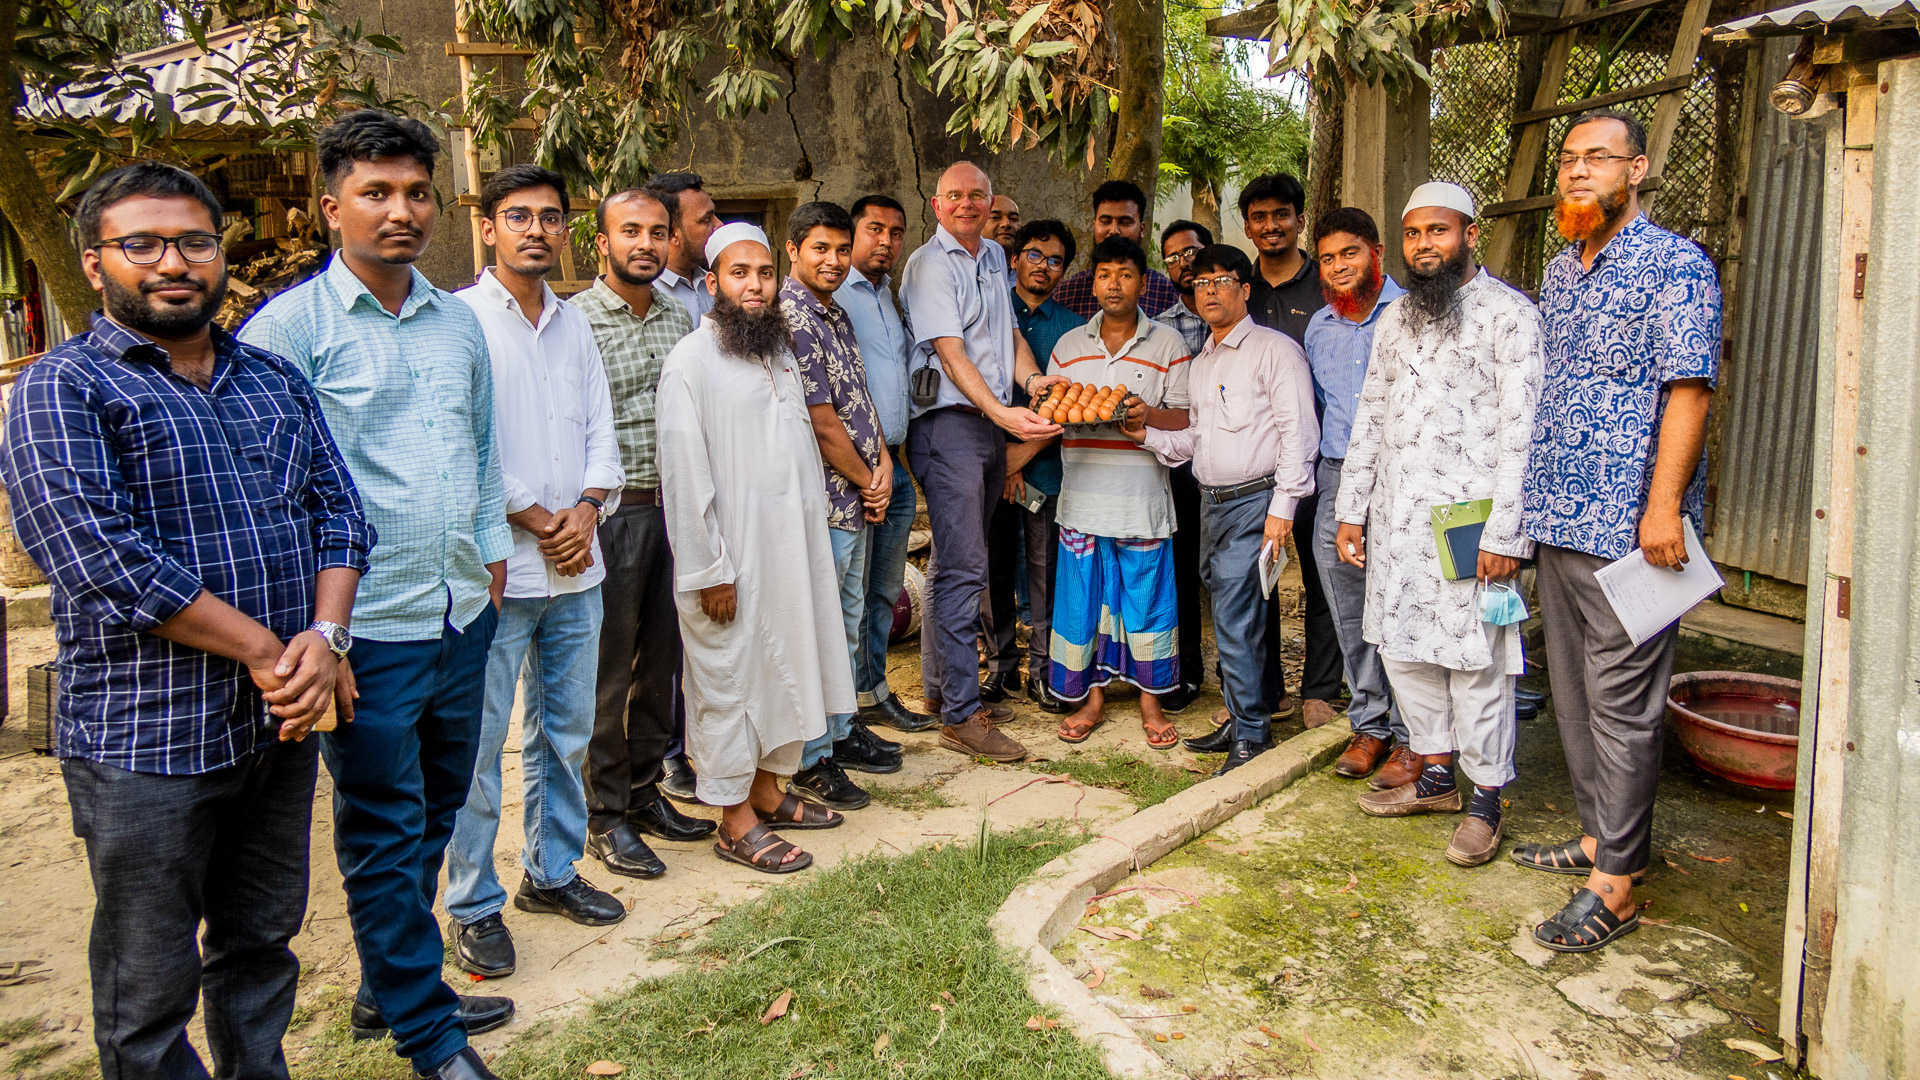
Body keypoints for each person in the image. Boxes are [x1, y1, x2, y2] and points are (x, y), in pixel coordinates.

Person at [2, 162, 369, 1080]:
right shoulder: (63, 388)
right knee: (149, 990)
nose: (173, 262)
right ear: (96, 264)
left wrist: (326, 640)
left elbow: (340, 515)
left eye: (195, 242)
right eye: (142, 244)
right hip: (146, 738)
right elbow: (100, 558)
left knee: (260, 945)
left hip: (275, 726)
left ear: (220, 253)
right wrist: (273, 651)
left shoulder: (271, 379)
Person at [237, 109, 513, 1080]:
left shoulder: (457, 322)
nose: (402, 211)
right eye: (376, 193)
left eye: (417, 192)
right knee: (385, 828)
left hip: (458, 613)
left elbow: (482, 447)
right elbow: (269, 503)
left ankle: (391, 982)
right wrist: (322, 635)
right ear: (331, 208)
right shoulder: (286, 333)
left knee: (435, 810)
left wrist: (490, 560)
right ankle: (429, 1035)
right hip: (368, 633)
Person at [1518, 111, 1721, 953]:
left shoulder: (1676, 264)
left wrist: (1663, 507)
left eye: (1597, 158)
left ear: (1636, 170)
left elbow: (1689, 389)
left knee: (1624, 705)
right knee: (1573, 693)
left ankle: (1618, 885)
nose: (1576, 171)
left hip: (1631, 529)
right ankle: (1600, 838)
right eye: (1568, 159)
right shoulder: (1561, 270)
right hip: (1557, 514)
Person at [444, 165, 628, 976]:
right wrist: (537, 518)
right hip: (499, 570)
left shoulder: (573, 321)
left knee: (566, 730)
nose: (536, 231)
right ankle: (473, 901)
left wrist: (585, 510)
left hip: (578, 565)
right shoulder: (457, 320)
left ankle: (551, 872)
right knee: (480, 744)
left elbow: (601, 430)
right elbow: (465, 439)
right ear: (488, 228)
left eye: (551, 218)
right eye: (517, 216)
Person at [1334, 182, 1544, 871]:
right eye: (1414, 233)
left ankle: (1486, 799)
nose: (1425, 245)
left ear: (1470, 235)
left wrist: (1506, 536)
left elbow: (1523, 433)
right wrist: (1351, 509)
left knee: (1474, 662)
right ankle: (1434, 777)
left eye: (1439, 231)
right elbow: (1370, 414)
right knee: (1404, 652)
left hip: (1470, 525)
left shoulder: (1509, 316)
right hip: (1398, 521)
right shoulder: (1396, 319)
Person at [656, 222, 855, 872]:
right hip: (729, 565)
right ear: (713, 283)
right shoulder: (691, 362)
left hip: (789, 557)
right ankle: (734, 821)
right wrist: (709, 570)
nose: (755, 285)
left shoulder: (779, 353)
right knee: (730, 686)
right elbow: (683, 477)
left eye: (764, 273)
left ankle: (768, 792)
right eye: (739, 273)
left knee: (784, 672)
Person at [899, 161, 1067, 763]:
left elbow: (1007, 335)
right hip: (950, 426)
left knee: (956, 563)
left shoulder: (994, 256)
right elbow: (950, 353)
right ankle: (962, 715)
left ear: (990, 203)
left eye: (977, 195)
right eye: (954, 196)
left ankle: (942, 693)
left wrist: (1033, 380)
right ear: (937, 205)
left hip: (987, 424)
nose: (966, 204)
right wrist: (1002, 413)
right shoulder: (928, 265)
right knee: (965, 569)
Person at [572, 189, 713, 879]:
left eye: (658, 232)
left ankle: (644, 789)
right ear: (602, 242)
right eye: (630, 231)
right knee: (609, 670)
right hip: (612, 512)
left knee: (662, 662)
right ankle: (603, 815)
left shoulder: (678, 317)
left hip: (674, 508)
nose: (646, 244)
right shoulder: (576, 322)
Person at [1141, 245, 1317, 776]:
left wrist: (1282, 509)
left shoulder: (1275, 351)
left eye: (1222, 280)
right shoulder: (1202, 362)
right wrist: (1143, 434)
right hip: (1212, 504)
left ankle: (1253, 737)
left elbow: (1299, 434)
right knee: (1232, 616)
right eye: (1201, 283)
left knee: (1236, 620)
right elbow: (1193, 439)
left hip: (1256, 500)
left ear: (1245, 289)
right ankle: (1244, 719)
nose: (1210, 291)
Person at [780, 201, 903, 811]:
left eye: (839, 249)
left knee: (847, 620)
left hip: (856, 498)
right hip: (824, 501)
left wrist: (883, 467)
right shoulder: (790, 317)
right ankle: (810, 758)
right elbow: (821, 420)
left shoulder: (836, 312)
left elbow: (860, 400)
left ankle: (840, 730)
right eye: (819, 249)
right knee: (819, 629)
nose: (832, 260)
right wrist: (867, 479)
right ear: (792, 250)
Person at [1046, 237, 1192, 746]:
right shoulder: (1068, 346)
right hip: (1082, 500)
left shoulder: (1168, 344)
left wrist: (1145, 416)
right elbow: (1057, 412)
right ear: (1092, 283)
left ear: (1143, 283)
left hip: (1141, 501)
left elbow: (1185, 417)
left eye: (1125, 274)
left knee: (1147, 603)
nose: (1114, 284)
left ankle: (1151, 702)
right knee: (1082, 604)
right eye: (1105, 274)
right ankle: (1091, 700)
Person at [1216, 172, 1343, 737]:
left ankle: (1320, 689)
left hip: (1315, 458)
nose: (1271, 226)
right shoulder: (1239, 285)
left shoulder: (1325, 287)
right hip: (1252, 465)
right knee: (1254, 581)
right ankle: (1264, 691)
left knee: (1321, 573)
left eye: (1281, 215)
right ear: (1247, 227)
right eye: (1259, 217)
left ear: (1299, 220)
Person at [1303, 207, 1415, 790]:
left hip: (1402, 477)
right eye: (1328, 258)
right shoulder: (1318, 328)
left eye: (1350, 253)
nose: (1339, 266)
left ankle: (1413, 731)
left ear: (1376, 253)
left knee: (1403, 599)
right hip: (1336, 476)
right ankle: (1370, 723)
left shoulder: (1413, 316)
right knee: (1348, 602)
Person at [837, 195, 941, 736]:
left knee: (882, 590)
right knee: (848, 596)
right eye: (874, 229)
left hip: (893, 468)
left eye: (896, 233)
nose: (886, 241)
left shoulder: (888, 296)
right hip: (851, 473)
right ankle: (842, 709)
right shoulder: (835, 294)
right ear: (852, 234)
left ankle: (873, 692)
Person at [986, 218, 1084, 715]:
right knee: (992, 571)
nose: (1043, 266)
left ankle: (1043, 672)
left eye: (1055, 260)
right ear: (1014, 258)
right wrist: (1002, 463)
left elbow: (1075, 407)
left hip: (1044, 469)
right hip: (988, 463)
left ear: (1064, 271)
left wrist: (1020, 456)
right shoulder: (988, 313)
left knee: (1046, 574)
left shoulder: (1073, 329)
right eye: (1034, 255)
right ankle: (1000, 665)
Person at [1151, 219, 1213, 714]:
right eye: (1172, 258)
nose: (1183, 264)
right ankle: (1186, 670)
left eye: (1190, 252)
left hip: (1239, 464)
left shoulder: (1235, 312)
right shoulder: (1161, 328)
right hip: (1180, 464)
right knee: (1182, 569)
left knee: (1236, 575)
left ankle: (1254, 684)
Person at [1051, 180, 1178, 318]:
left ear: (1142, 229)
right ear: (1094, 226)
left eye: (1125, 223)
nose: (1114, 230)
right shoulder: (1068, 294)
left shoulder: (1167, 294)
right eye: (1105, 222)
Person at [646, 171, 717, 326]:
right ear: (671, 234)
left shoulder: (715, 284)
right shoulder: (647, 294)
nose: (719, 225)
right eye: (706, 220)